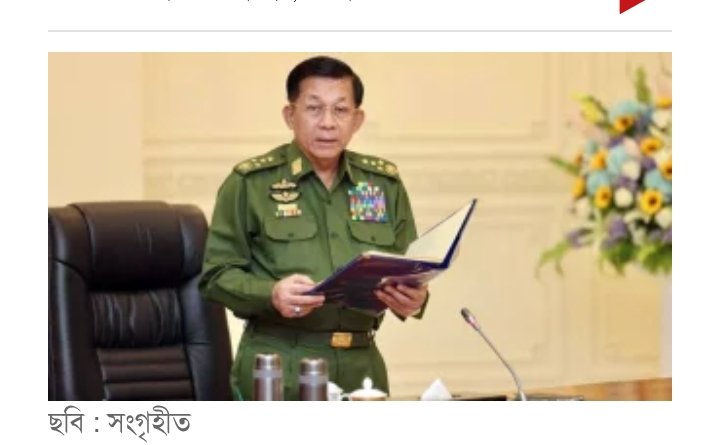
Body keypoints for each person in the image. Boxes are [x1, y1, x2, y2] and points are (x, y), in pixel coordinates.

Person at [199, 55, 429, 401]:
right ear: (290, 115)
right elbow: (215, 277)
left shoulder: (383, 185)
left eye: (341, 110)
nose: (328, 123)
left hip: (362, 366)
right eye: (314, 108)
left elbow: (409, 269)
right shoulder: (251, 183)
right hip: (279, 364)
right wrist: (270, 293)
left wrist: (414, 300)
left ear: (357, 120)